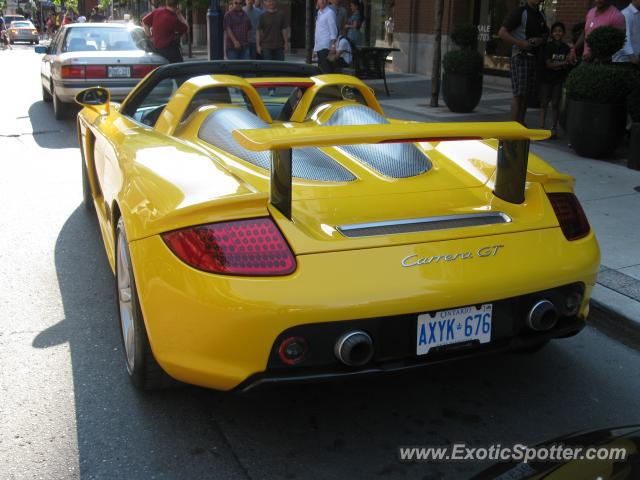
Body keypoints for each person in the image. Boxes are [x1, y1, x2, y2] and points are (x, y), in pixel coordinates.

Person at [498, 0, 549, 125]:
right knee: (519, 94)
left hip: (534, 58)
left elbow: (545, 35)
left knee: (526, 96)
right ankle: (513, 126)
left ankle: (520, 124)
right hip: (520, 57)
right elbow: (502, 33)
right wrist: (521, 43)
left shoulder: (541, 15)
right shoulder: (520, 12)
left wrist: (540, 40)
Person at [539, 22, 570, 138]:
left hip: (558, 80)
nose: (558, 33)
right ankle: (541, 128)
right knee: (544, 103)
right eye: (555, 31)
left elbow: (568, 64)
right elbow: (548, 64)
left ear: (564, 33)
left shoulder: (566, 48)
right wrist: (563, 62)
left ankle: (553, 128)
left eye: (560, 31)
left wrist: (567, 63)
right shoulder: (548, 46)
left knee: (555, 104)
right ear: (552, 33)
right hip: (546, 79)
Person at [314, 0, 338, 73]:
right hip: (319, 45)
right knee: (321, 68)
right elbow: (318, 31)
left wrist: (333, 45)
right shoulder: (318, 13)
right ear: (317, 1)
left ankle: (331, 84)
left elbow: (333, 29)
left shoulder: (330, 13)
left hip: (326, 45)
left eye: (324, 0)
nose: (323, 1)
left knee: (326, 69)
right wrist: (315, 48)